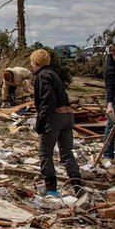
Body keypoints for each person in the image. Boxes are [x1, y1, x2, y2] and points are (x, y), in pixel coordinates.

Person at [30, 49, 82, 197]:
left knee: (45, 152)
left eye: (32, 62)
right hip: (68, 115)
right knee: (66, 152)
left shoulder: (42, 76)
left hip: (55, 117)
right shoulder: (53, 74)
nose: (31, 65)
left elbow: (48, 100)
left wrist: (41, 121)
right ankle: (77, 186)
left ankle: (51, 187)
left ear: (37, 63)